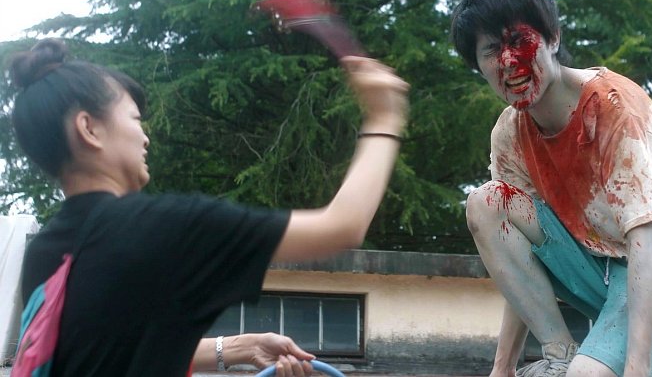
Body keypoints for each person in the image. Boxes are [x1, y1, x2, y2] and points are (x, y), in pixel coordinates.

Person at [9, 37, 408, 376]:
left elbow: (110, 342)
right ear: (89, 128)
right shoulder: (162, 226)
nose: (145, 137)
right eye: (135, 119)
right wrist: (385, 117)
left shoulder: (43, 253)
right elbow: (343, 225)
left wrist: (239, 347)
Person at [450, 0, 652, 377]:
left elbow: (645, 241)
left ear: (552, 38)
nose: (508, 61)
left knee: (589, 375)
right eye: (492, 49)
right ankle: (561, 352)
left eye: (518, 40)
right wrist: (503, 367)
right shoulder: (510, 133)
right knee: (488, 203)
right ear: (478, 65)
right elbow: (518, 261)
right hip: (605, 268)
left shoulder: (613, 108)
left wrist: (636, 369)